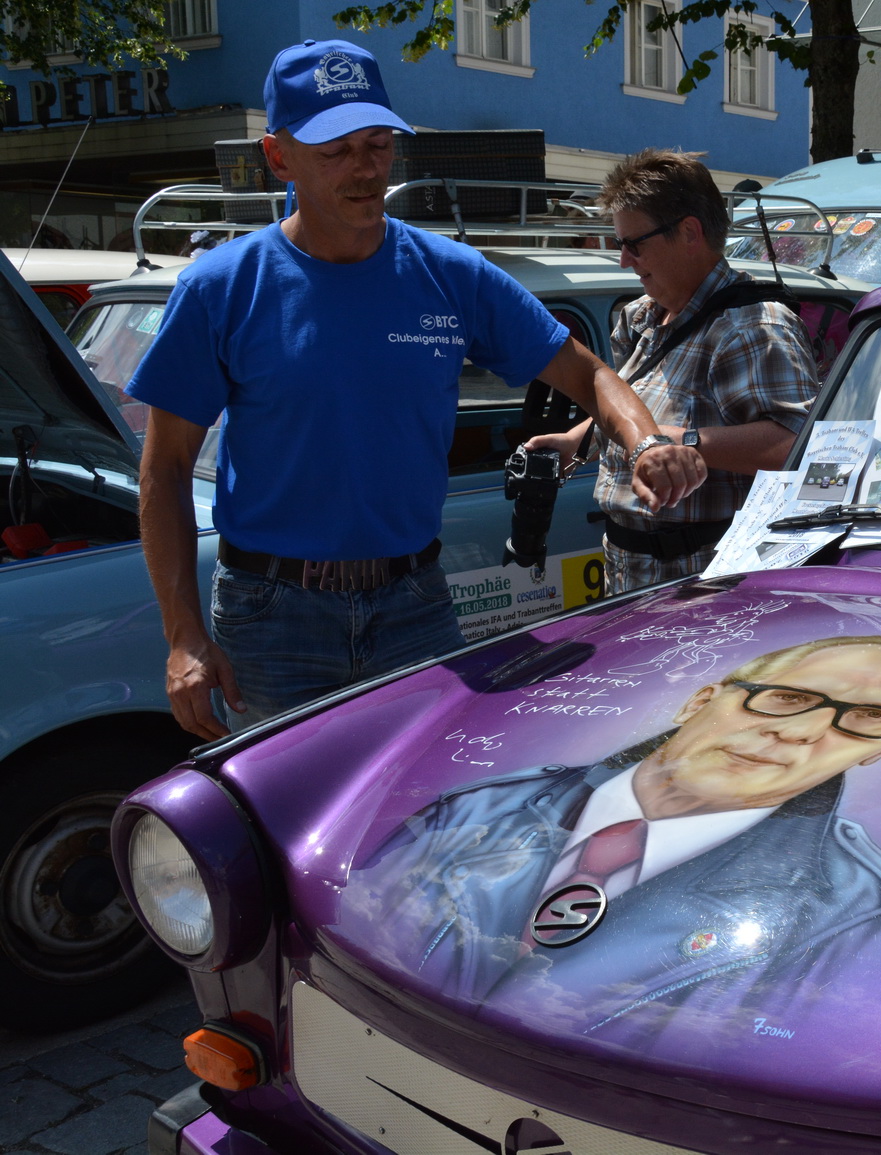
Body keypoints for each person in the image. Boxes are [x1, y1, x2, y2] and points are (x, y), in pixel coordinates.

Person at [126, 40, 704, 741]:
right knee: (292, 822)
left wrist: (644, 441)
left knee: (418, 822)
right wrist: (183, 634)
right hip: (272, 618)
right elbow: (163, 470)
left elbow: (589, 373)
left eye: (378, 144)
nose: (366, 169)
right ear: (279, 157)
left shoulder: (449, 274)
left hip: (414, 605)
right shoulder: (220, 287)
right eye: (336, 150)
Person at [347, 635, 881, 1033]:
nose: (799, 732)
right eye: (786, 697)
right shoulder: (474, 809)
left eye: (871, 717)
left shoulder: (865, 918)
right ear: (702, 698)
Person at [527, 149, 819, 595]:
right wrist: (576, 440)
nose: (625, 260)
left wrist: (670, 441)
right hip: (629, 572)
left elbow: (794, 446)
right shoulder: (641, 317)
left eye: (634, 244)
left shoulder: (754, 326)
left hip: (705, 584)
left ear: (689, 232)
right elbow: (632, 402)